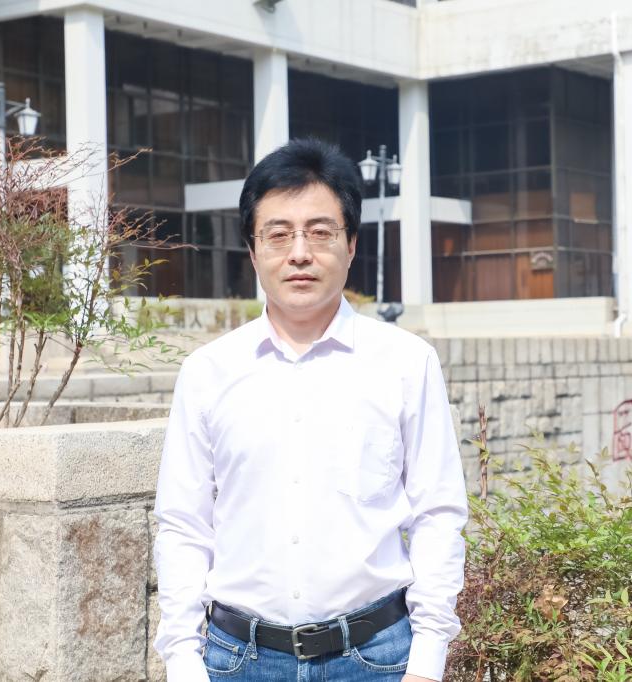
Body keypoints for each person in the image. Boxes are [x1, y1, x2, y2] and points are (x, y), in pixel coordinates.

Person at [153, 139, 468, 682]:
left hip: (378, 659)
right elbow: (184, 526)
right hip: (238, 660)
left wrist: (427, 660)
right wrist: (183, 661)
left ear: (351, 245)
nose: (299, 253)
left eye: (320, 232)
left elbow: (438, 513)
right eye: (278, 234)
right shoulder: (208, 372)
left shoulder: (405, 363)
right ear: (253, 251)